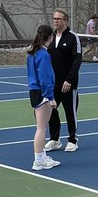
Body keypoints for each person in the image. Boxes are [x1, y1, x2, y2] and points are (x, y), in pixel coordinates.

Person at [45, 8, 83, 153]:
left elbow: (77, 60)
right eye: (54, 18)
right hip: (52, 84)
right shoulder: (50, 37)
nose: (55, 21)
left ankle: (73, 140)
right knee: (50, 110)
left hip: (68, 84)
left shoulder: (73, 37)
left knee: (70, 112)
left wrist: (69, 80)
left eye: (58, 19)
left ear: (65, 21)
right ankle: (55, 139)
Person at [26, 23, 59, 171]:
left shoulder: (33, 53)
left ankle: (42, 156)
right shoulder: (44, 55)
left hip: (35, 91)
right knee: (41, 128)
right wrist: (50, 97)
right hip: (42, 93)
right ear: (50, 37)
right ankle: (38, 160)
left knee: (42, 127)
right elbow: (44, 77)